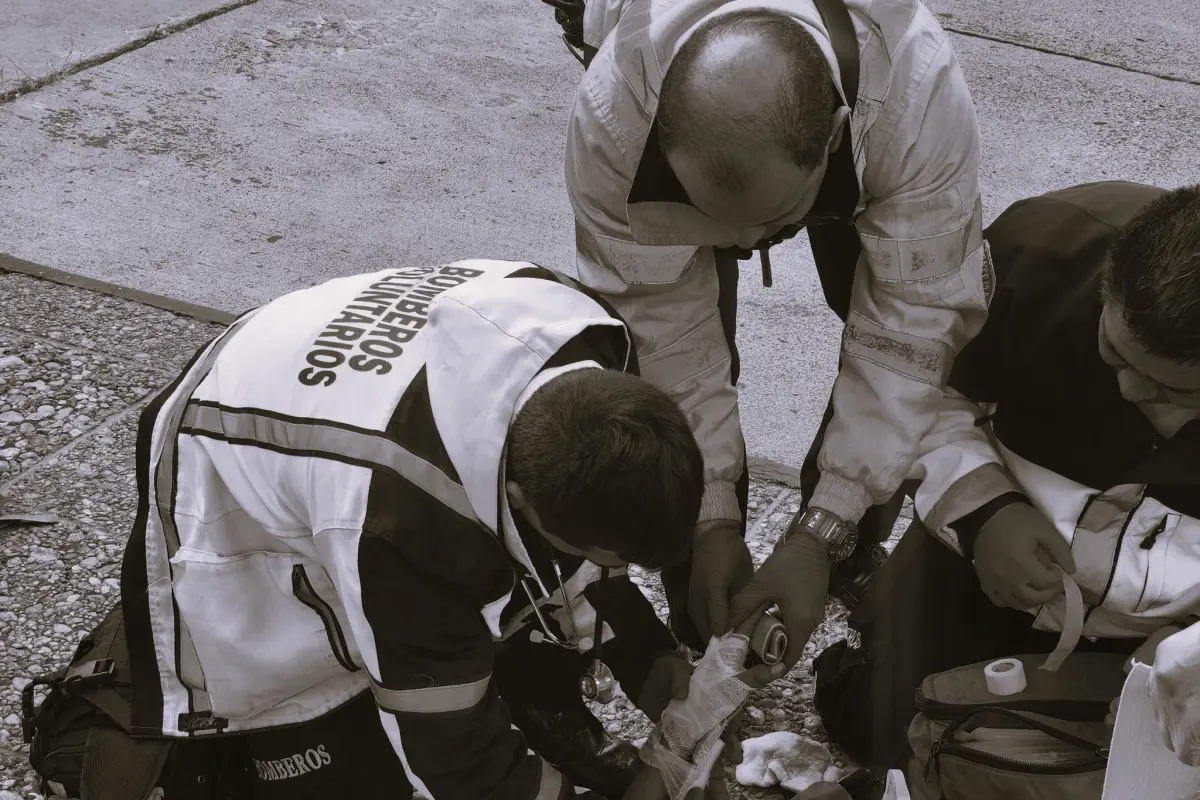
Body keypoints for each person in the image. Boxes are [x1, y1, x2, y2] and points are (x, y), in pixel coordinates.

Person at [115, 259, 722, 799]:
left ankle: (496, 667)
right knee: (359, 774)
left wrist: (645, 656)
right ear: (515, 498)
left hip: (313, 369)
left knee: (495, 606)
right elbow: (456, 761)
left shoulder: (598, 342)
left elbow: (589, 535)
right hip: (216, 446)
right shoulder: (400, 525)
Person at [557, 0, 992, 668]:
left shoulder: (915, 98)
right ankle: (698, 567)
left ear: (838, 134)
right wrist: (708, 515)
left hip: (874, 119)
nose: (740, 246)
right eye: (713, 217)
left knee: (882, 321)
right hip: (651, 100)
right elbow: (663, 330)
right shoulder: (614, 120)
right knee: (675, 333)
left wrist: (826, 525)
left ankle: (839, 548)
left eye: (776, 218)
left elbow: (913, 328)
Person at [810, 181, 1200, 773]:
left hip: (1164, 631)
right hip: (982, 575)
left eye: (1172, 391)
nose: (1127, 390)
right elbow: (915, 392)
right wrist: (982, 511)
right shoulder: (1037, 253)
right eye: (1113, 352)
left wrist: (1193, 644)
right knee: (895, 737)